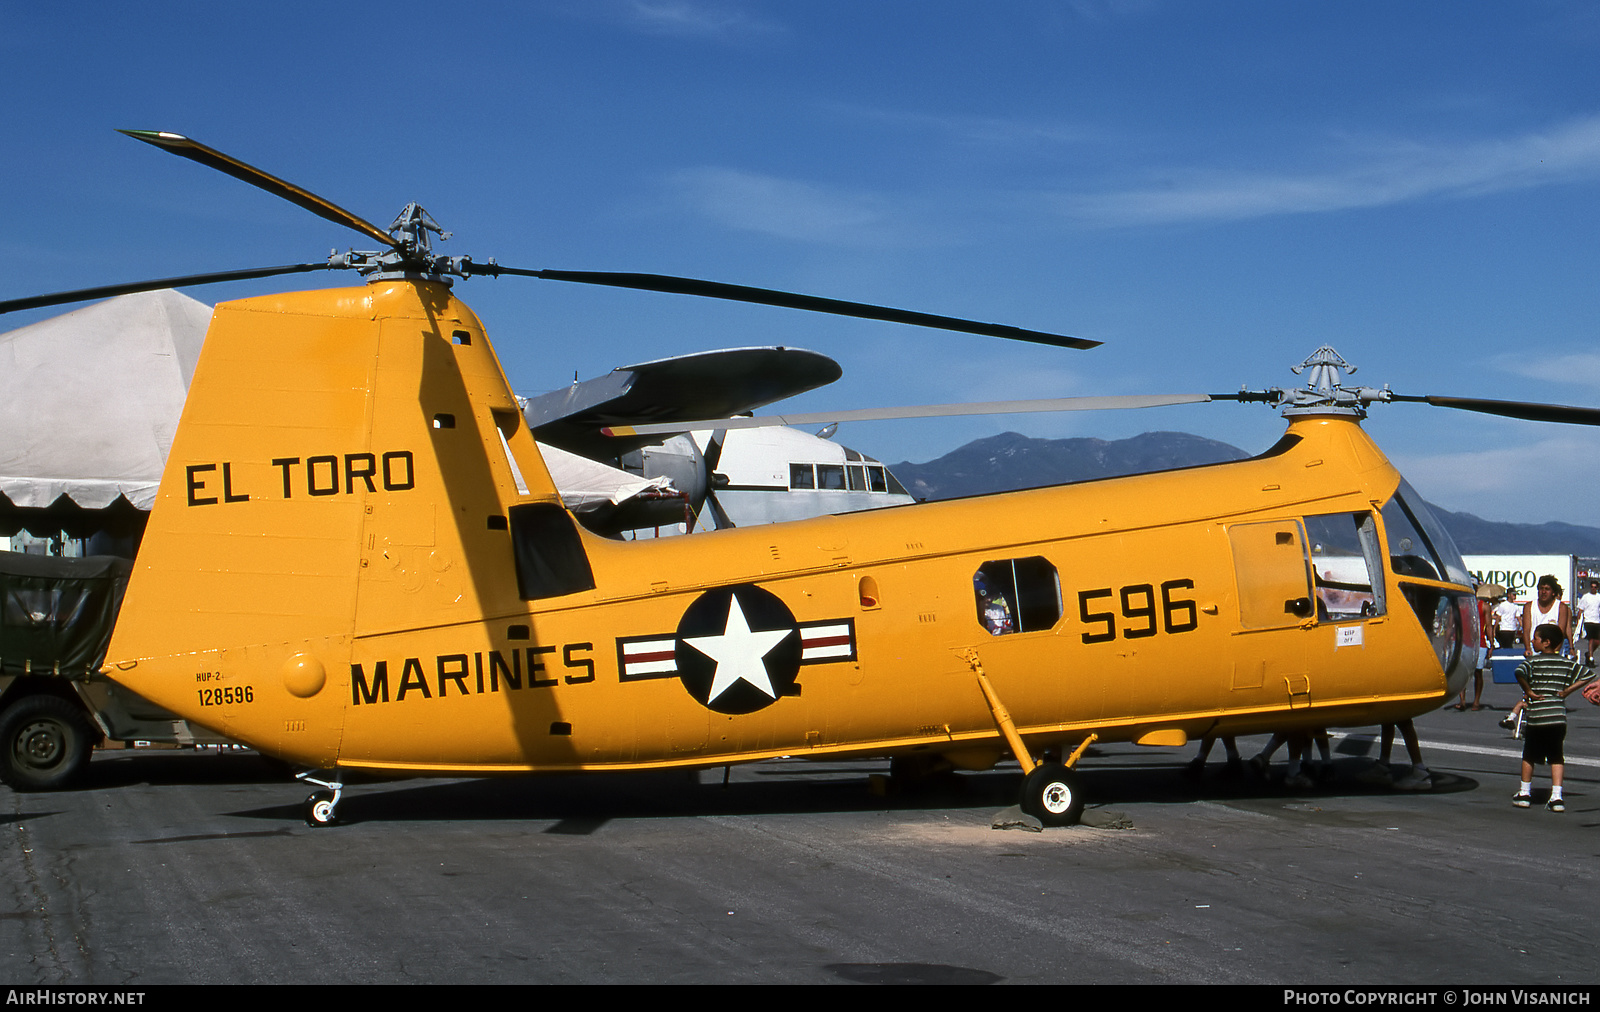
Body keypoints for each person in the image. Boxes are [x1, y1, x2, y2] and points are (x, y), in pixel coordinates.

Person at [1511, 623, 1593, 812]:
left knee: (1529, 754)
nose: (1532, 641)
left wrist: (1529, 691)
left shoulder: (1533, 662)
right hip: (1557, 717)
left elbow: (1519, 672)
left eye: (1535, 638)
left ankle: (1524, 792)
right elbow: (1587, 675)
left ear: (1546, 643)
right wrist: (1566, 691)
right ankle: (1556, 797)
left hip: (1537, 716)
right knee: (1557, 756)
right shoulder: (1566, 663)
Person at [1522, 576, 1571, 659]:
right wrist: (1528, 648)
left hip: (1554, 650)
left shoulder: (1561, 607)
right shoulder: (1528, 606)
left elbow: (1561, 632)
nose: (1543, 592)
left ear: (1553, 592)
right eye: (1541, 589)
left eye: (1547, 589)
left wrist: (1554, 652)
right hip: (1534, 649)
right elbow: (1526, 630)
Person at [1577, 580, 1600, 668]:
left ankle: (1589, 653)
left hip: (1597, 620)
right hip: (1588, 620)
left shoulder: (1598, 597)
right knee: (1591, 639)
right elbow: (1580, 609)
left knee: (1597, 640)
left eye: (1595, 587)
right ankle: (1591, 658)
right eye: (1592, 587)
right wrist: (1579, 622)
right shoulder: (1586, 597)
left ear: (1597, 588)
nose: (1593, 588)